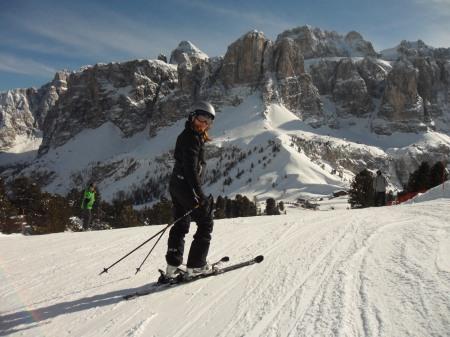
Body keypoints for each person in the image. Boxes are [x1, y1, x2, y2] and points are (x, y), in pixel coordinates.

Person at [165, 101, 216, 280]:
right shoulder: (192, 137)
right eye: (202, 118)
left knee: (181, 223)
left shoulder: (190, 135)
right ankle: (196, 265)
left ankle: (172, 266)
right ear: (193, 116)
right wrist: (200, 195)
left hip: (176, 185)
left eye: (208, 121)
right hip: (186, 186)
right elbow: (190, 170)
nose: (204, 123)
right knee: (206, 222)